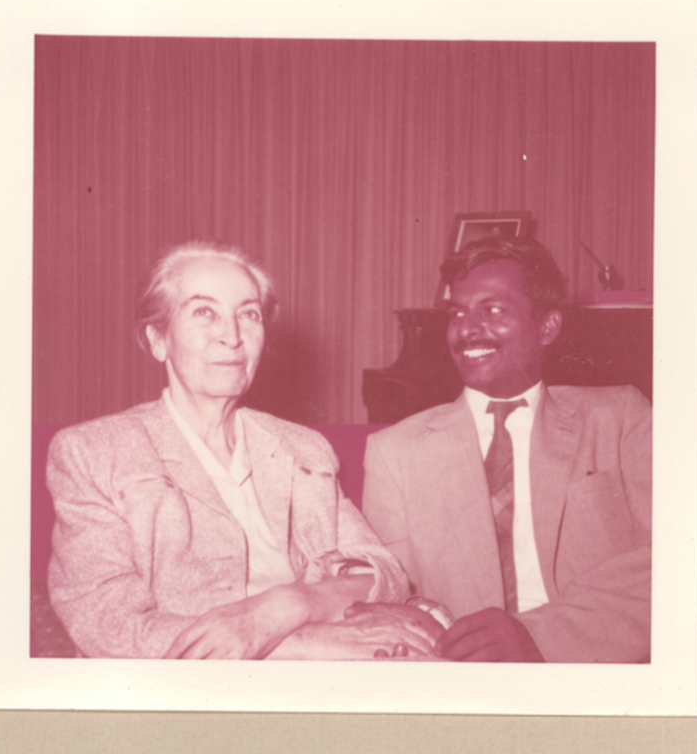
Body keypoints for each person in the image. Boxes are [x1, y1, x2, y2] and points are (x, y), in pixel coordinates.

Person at [47, 240, 437, 660]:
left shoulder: (302, 448)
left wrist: (288, 605)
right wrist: (300, 645)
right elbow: (108, 625)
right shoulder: (94, 452)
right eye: (204, 312)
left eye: (249, 314)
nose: (232, 336)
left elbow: (382, 572)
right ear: (158, 338)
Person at [359, 236, 651, 663]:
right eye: (457, 313)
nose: (466, 330)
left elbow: (672, 557)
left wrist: (541, 636)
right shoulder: (394, 452)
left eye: (492, 310)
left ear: (547, 327)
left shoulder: (619, 417)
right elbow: (392, 589)